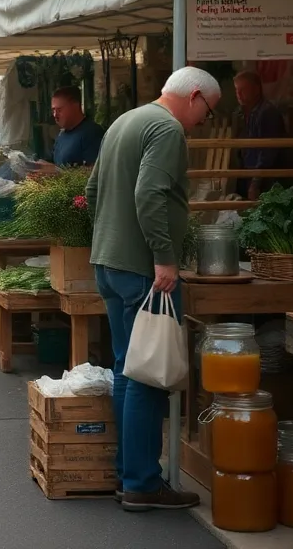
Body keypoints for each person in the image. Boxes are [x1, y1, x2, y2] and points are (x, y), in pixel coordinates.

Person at [86, 67, 218, 513]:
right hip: (145, 270)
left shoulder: (126, 121)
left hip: (108, 262)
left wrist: (110, 239)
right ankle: (142, 482)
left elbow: (92, 189)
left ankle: (130, 476)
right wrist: (164, 256)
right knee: (148, 375)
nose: (204, 121)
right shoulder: (167, 129)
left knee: (128, 369)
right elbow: (149, 192)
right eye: (208, 111)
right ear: (195, 96)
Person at [232, 70, 292, 200]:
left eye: (243, 90)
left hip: (269, 181)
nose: (239, 95)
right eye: (237, 90)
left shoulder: (267, 113)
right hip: (251, 174)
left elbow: (267, 152)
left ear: (256, 90)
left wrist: (255, 183)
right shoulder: (244, 114)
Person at [42, 86, 104, 169]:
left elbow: (94, 173)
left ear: (75, 106)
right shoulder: (62, 135)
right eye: (53, 110)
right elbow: (54, 163)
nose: (55, 115)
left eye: (59, 110)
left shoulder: (92, 133)